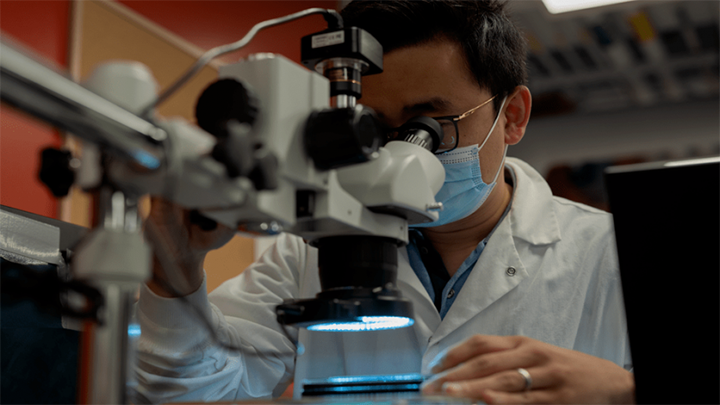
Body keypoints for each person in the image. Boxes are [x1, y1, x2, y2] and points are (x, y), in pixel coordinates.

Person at [136, 1, 635, 404]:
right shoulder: (307, 250)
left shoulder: (610, 255)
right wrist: (174, 272)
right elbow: (189, 390)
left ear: (512, 117)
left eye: (429, 126)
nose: (398, 154)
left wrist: (625, 392)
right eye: (375, 128)